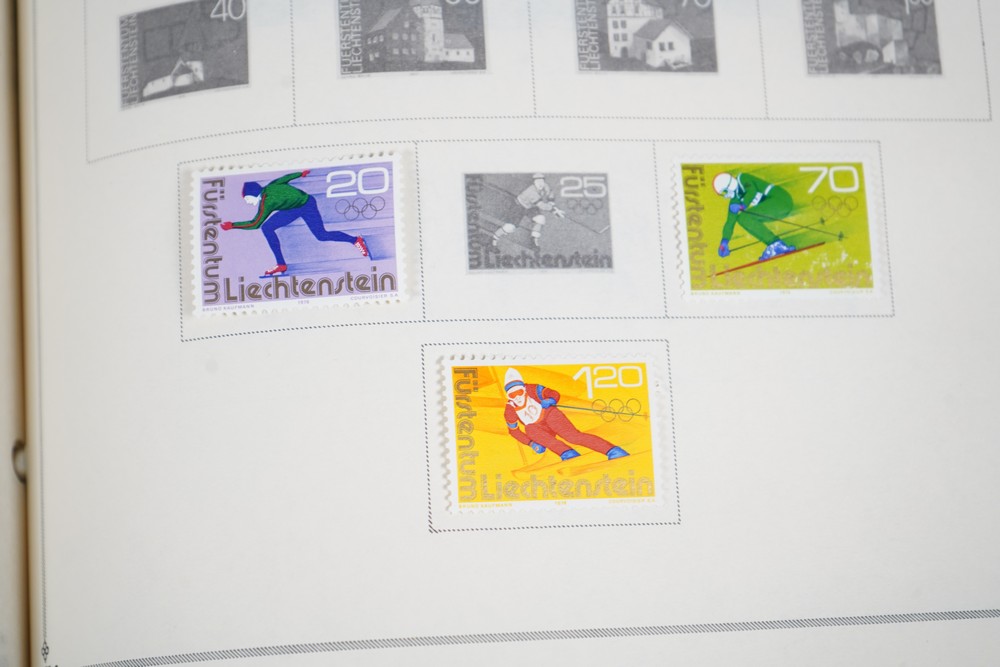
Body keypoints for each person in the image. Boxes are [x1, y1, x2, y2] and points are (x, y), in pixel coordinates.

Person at [221, 170, 370, 277]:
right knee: (268, 227)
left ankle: (356, 240)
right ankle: (281, 264)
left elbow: (255, 223)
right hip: (293, 208)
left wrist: (232, 225)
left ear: (253, 195)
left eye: (247, 199)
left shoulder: (267, 201)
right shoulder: (271, 185)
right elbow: (286, 177)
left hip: (307, 204)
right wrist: (300, 173)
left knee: (321, 235)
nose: (248, 202)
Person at [502, 368, 629, 461]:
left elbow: (553, 393)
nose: (517, 397)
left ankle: (612, 450)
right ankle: (567, 453)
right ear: (508, 396)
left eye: (519, 392)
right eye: (512, 395)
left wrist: (550, 400)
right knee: (530, 429)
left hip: (550, 415)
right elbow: (514, 431)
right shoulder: (510, 410)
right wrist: (531, 443)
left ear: (524, 389)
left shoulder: (533, 389)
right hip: (539, 428)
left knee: (573, 437)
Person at [713, 172, 796, 262]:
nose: (726, 195)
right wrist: (724, 241)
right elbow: (730, 221)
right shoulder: (736, 198)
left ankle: (775, 243)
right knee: (743, 219)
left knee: (746, 217)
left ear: (729, 185)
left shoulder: (742, 178)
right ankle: (775, 244)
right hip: (777, 209)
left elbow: (751, 191)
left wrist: (742, 206)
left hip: (781, 200)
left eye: (725, 191)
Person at [491, 174, 565, 248]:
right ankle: (494, 239)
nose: (540, 184)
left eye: (541, 181)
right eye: (538, 182)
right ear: (534, 183)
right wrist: (553, 210)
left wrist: (552, 203)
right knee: (510, 227)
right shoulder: (531, 191)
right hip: (519, 206)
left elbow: (550, 193)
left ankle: (533, 241)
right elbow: (541, 205)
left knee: (540, 219)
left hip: (530, 207)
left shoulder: (545, 186)